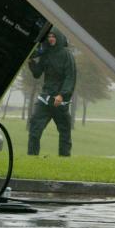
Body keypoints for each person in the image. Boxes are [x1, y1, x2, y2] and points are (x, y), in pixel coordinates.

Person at [26, 29, 76, 157]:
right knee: (34, 129)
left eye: (54, 36)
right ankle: (32, 157)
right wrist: (31, 62)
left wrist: (62, 95)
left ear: (59, 38)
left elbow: (70, 77)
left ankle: (64, 158)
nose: (51, 39)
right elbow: (37, 73)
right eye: (49, 37)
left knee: (65, 132)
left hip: (60, 101)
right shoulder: (46, 53)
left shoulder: (66, 55)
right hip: (45, 99)